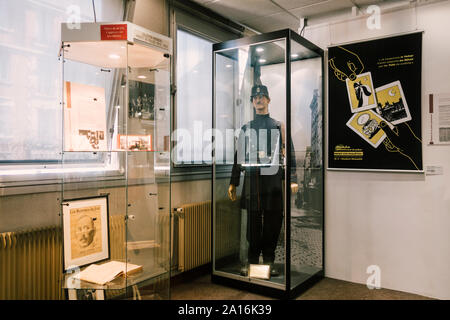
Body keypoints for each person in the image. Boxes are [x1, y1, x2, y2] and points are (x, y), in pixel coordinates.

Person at [228, 84, 298, 277]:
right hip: (253, 182)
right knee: (253, 225)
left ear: (268, 100)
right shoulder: (246, 128)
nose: (258, 99)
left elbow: (288, 154)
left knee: (273, 223)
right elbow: (239, 156)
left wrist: (292, 178)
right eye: (255, 97)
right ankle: (251, 262)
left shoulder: (278, 126)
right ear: (252, 101)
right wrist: (233, 182)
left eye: (262, 96)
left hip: (273, 181)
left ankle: (268, 261)